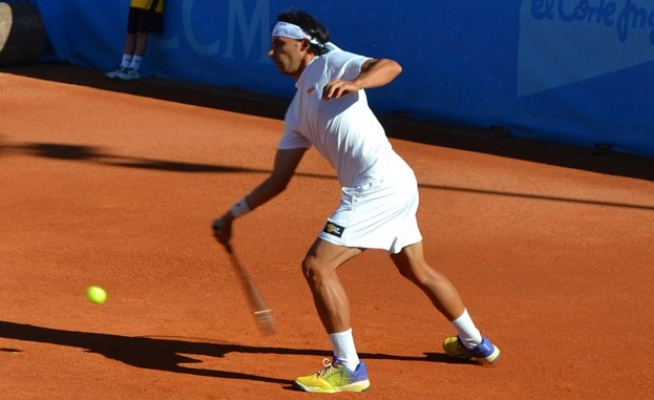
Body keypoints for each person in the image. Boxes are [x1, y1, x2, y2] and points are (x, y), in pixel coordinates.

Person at [212, 8, 500, 394]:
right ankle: (474, 341)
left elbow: (390, 66)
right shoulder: (297, 112)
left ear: (302, 44)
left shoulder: (333, 62)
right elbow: (279, 180)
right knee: (416, 269)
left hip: (378, 186)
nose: (271, 53)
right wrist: (234, 213)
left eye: (278, 44)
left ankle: (348, 369)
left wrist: (356, 83)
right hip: (396, 182)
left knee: (317, 266)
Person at [105, 0, 165, 81]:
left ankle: (134, 68)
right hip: (135, 3)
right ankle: (124, 66)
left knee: (141, 32)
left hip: (149, 3)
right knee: (131, 33)